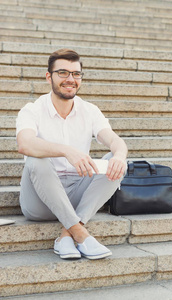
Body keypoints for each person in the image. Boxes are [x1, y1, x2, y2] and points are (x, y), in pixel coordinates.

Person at [16, 48, 128, 260]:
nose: (71, 79)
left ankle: (66, 234)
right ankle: (81, 234)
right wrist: (66, 151)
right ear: (49, 76)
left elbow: (115, 141)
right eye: (63, 73)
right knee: (36, 159)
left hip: (77, 196)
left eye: (76, 74)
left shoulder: (90, 110)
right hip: (40, 202)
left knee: (116, 161)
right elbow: (25, 144)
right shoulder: (32, 110)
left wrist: (120, 156)